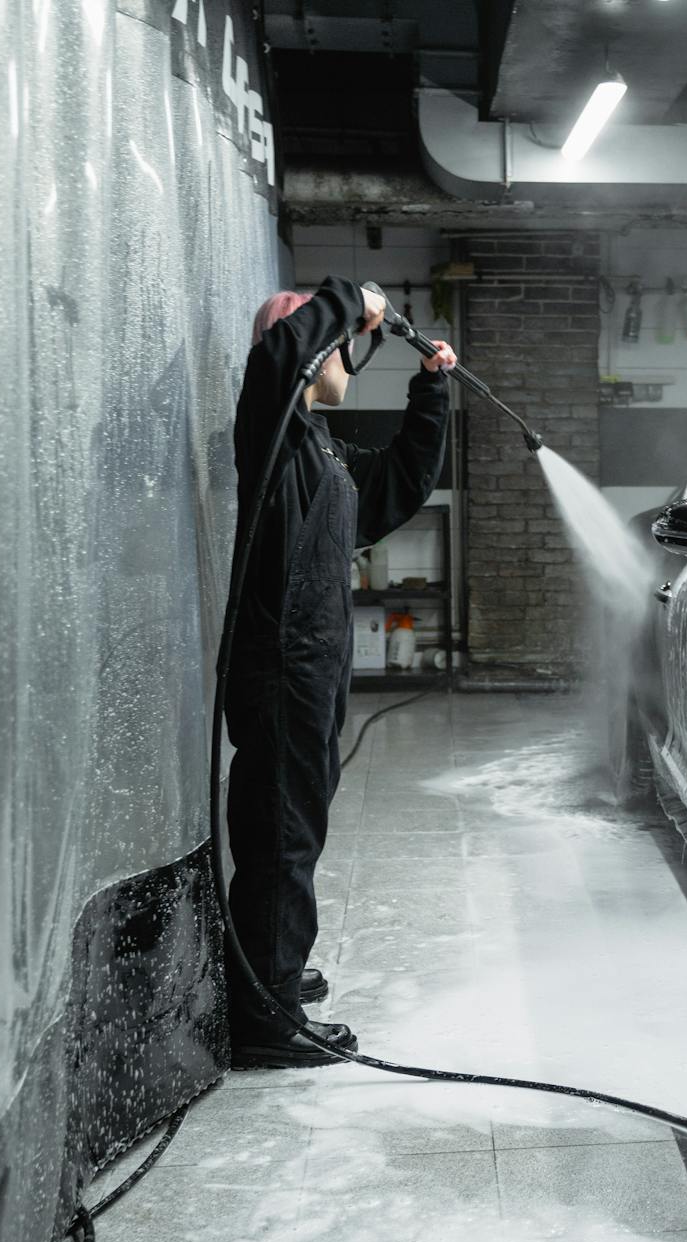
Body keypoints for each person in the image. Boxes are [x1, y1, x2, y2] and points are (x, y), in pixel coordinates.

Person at [224, 277, 455, 1068]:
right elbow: (281, 353)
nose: (350, 361)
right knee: (282, 834)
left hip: (314, 670)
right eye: (341, 346)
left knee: (296, 828)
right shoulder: (271, 425)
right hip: (282, 667)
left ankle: (269, 970)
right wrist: (349, 297)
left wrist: (432, 395)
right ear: (312, 345)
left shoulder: (319, 449)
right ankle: (268, 1017)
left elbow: (397, 486)